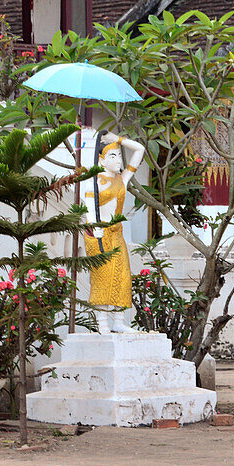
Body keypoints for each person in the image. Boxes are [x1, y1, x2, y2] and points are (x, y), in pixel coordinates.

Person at [84, 130, 145, 334]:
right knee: (102, 276)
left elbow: (140, 150)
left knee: (122, 274)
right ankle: (102, 323)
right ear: (101, 160)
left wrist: (117, 140)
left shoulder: (122, 179)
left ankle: (118, 321)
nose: (118, 159)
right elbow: (90, 208)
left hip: (116, 232)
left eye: (119, 155)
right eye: (112, 155)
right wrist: (95, 227)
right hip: (99, 234)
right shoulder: (94, 181)